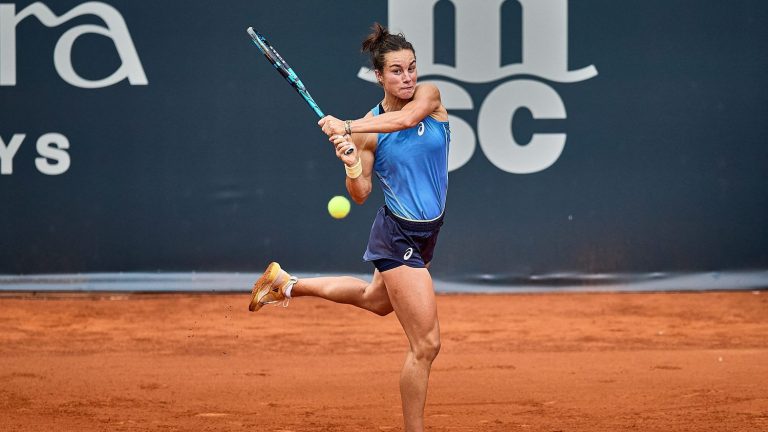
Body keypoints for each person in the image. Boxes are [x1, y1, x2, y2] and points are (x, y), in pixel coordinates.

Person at [249, 22, 450, 432]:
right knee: (426, 345)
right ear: (379, 76)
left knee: (374, 300)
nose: (408, 77)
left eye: (411, 68)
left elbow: (406, 119)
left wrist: (348, 127)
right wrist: (351, 159)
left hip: (427, 232)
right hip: (399, 235)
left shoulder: (428, 98)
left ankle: (285, 284)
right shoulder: (365, 130)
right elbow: (359, 193)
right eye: (396, 71)